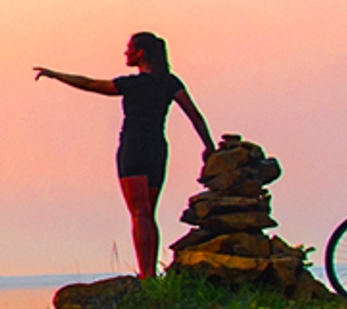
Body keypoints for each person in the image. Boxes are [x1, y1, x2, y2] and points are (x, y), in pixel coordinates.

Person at [34, 32, 215, 277]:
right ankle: (149, 272)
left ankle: (146, 275)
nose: (125, 53)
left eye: (129, 48)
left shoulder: (133, 84)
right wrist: (209, 146)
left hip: (134, 148)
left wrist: (56, 75)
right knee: (149, 213)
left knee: (139, 213)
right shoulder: (170, 83)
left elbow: (90, 84)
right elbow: (195, 115)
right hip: (157, 149)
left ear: (140, 53)